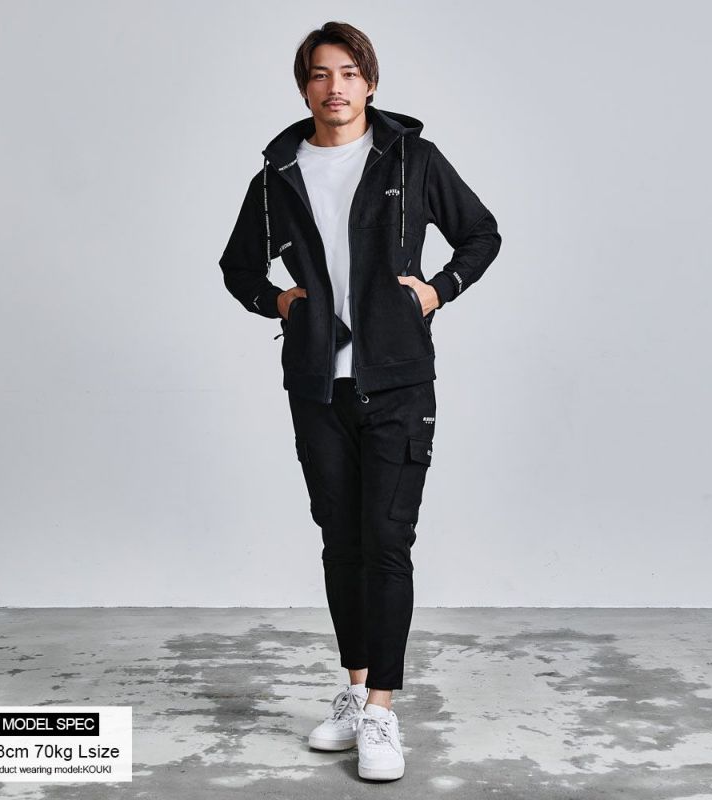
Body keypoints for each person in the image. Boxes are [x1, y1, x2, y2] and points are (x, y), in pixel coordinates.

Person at [218, 20, 502, 781]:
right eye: (320, 74)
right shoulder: (278, 175)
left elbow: (480, 234)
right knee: (340, 541)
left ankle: (381, 709)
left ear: (370, 83)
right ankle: (352, 690)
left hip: (399, 380)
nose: (334, 87)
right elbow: (238, 267)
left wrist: (437, 290)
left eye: (348, 73)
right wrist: (279, 302)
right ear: (304, 86)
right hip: (317, 385)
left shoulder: (411, 159)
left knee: (385, 541)